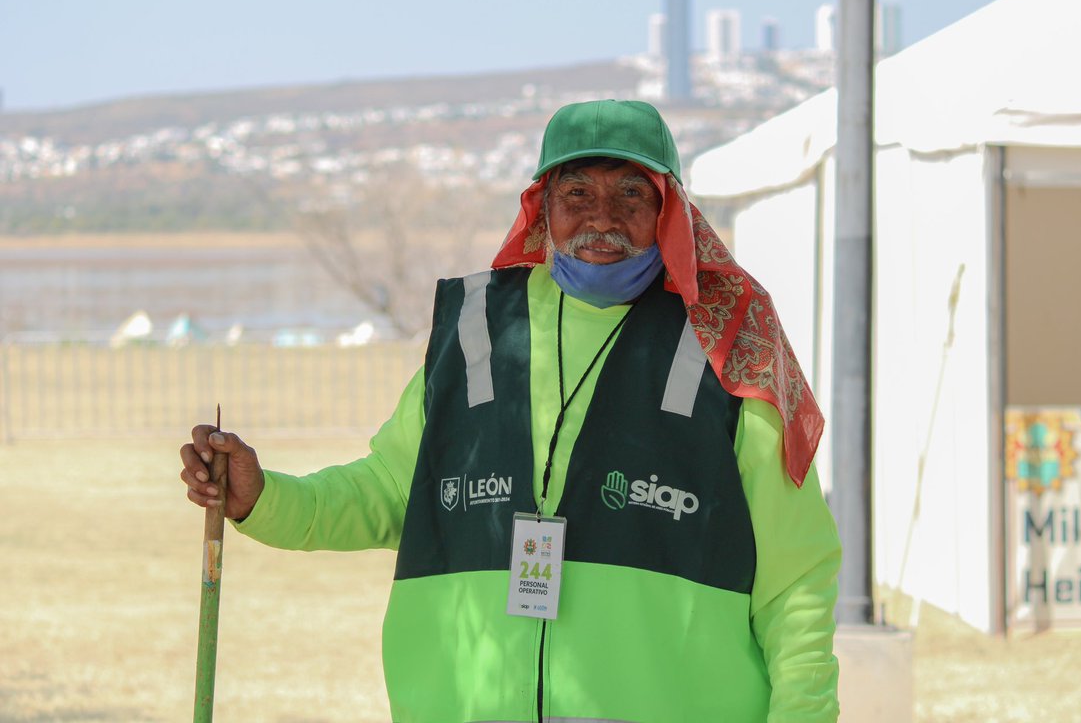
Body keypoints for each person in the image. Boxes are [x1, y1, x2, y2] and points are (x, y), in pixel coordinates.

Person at [180, 99, 841, 722]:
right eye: (577, 193)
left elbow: (798, 579)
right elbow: (389, 490)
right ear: (541, 207)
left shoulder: (730, 343)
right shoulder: (477, 327)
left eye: (631, 194)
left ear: (669, 210)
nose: (602, 217)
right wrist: (261, 498)